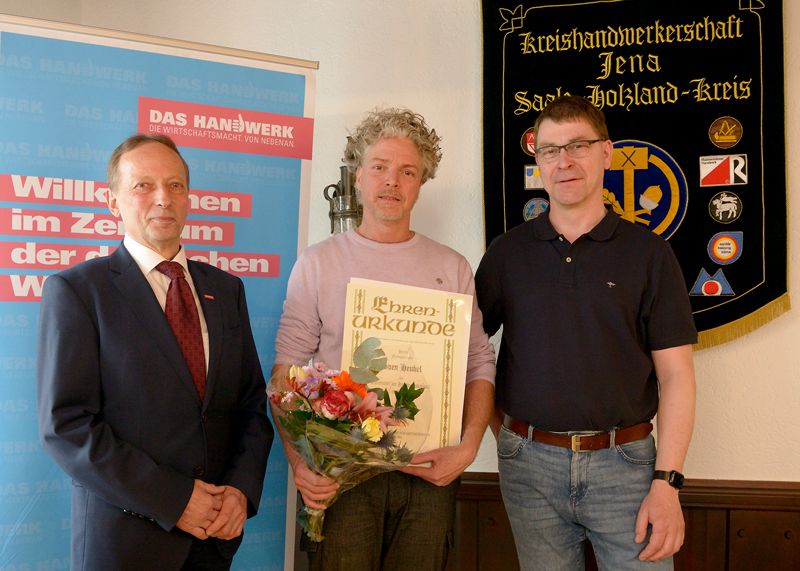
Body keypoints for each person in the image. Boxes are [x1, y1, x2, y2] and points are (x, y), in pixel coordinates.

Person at [475, 95, 697, 570]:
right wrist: (506, 435)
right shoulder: (507, 253)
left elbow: (677, 376)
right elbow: (469, 353)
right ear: (538, 161)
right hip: (528, 469)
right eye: (551, 149)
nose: (565, 161)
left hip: (629, 468)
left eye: (578, 145)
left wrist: (668, 482)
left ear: (607, 153)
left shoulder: (649, 253)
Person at [272, 107, 496, 571]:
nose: (392, 182)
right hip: (342, 472)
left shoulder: (452, 267)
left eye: (407, 171)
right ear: (358, 176)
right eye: (380, 167)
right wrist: (300, 463)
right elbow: (286, 373)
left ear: (421, 183)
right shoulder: (317, 263)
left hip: (430, 472)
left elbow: (478, 363)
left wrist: (470, 445)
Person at [36, 134, 273, 570]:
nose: (163, 198)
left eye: (175, 185)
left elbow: (252, 407)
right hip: (126, 544)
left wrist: (240, 492)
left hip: (213, 541)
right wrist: (176, 499)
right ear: (113, 202)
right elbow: (66, 426)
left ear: (188, 199)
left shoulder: (226, 289)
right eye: (143, 185)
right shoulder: (78, 292)